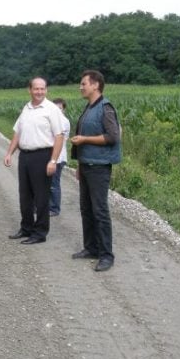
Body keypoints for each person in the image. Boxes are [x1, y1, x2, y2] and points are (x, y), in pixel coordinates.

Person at [69, 70, 122, 272]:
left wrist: (84, 140)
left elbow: (112, 137)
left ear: (95, 85)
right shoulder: (89, 107)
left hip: (99, 167)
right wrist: (80, 165)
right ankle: (90, 248)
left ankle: (106, 255)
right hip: (87, 165)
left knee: (100, 211)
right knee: (86, 209)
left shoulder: (105, 108)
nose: (81, 87)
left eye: (84, 84)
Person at [4, 77, 65, 244]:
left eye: (42, 89)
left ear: (46, 90)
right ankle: (26, 228)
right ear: (29, 90)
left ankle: (39, 233)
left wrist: (53, 161)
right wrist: (10, 153)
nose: (39, 92)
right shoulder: (27, 108)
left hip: (42, 155)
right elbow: (18, 133)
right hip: (25, 156)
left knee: (41, 197)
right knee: (25, 196)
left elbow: (59, 136)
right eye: (36, 89)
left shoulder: (51, 109)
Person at [49, 98, 71, 216]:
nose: (57, 110)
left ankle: (54, 208)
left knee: (54, 183)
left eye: (60, 108)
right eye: (55, 108)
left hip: (58, 157)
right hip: (50, 156)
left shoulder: (63, 121)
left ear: (64, 110)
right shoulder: (51, 120)